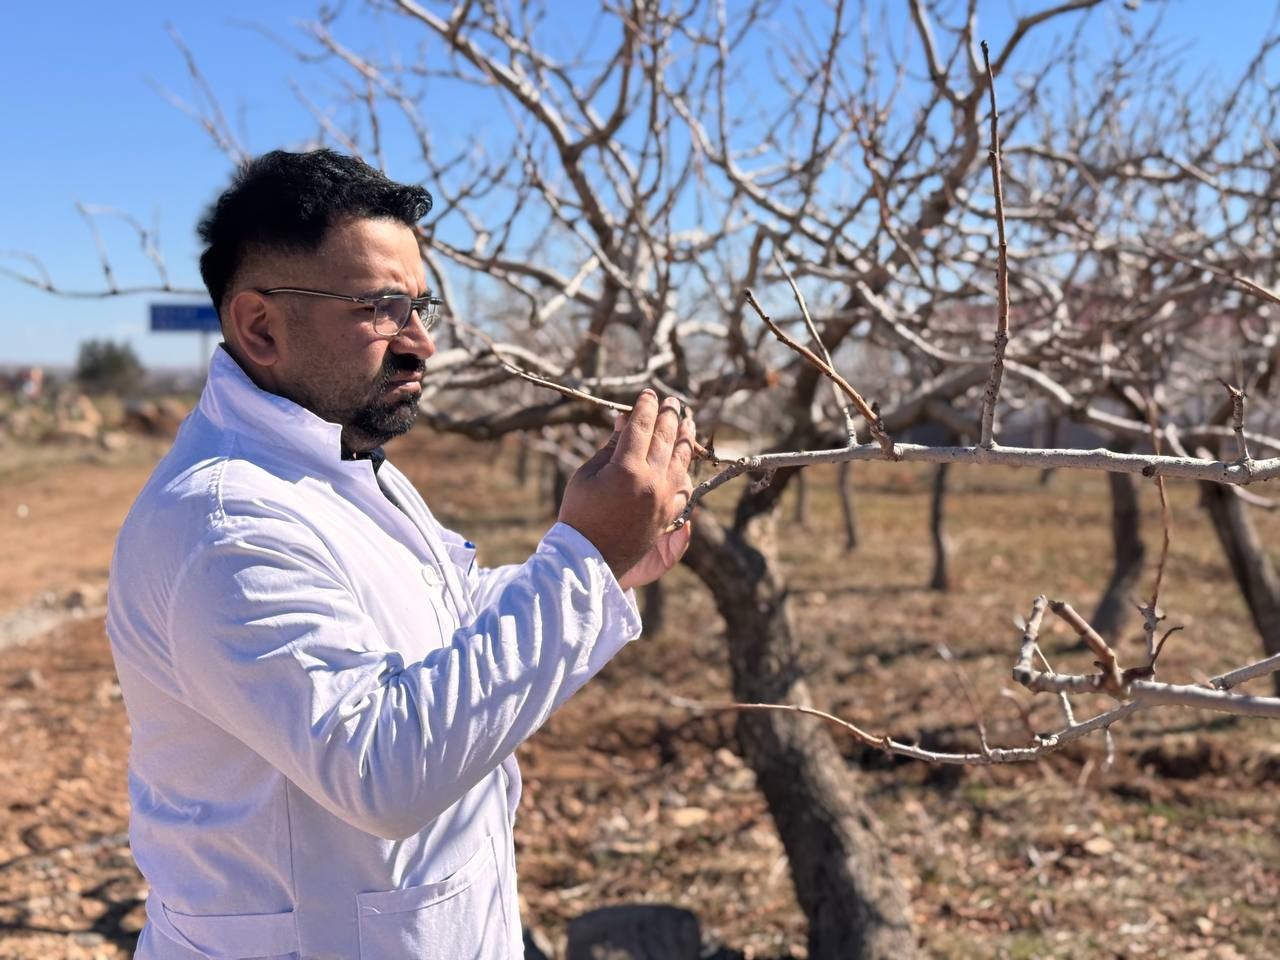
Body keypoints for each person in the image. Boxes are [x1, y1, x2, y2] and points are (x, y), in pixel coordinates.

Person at [106, 149, 695, 960]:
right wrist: (580, 560)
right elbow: (379, 767)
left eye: (421, 306)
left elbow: (439, 627)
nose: (421, 342)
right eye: (384, 307)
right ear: (261, 327)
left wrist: (599, 569)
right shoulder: (226, 527)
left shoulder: (338, 459)